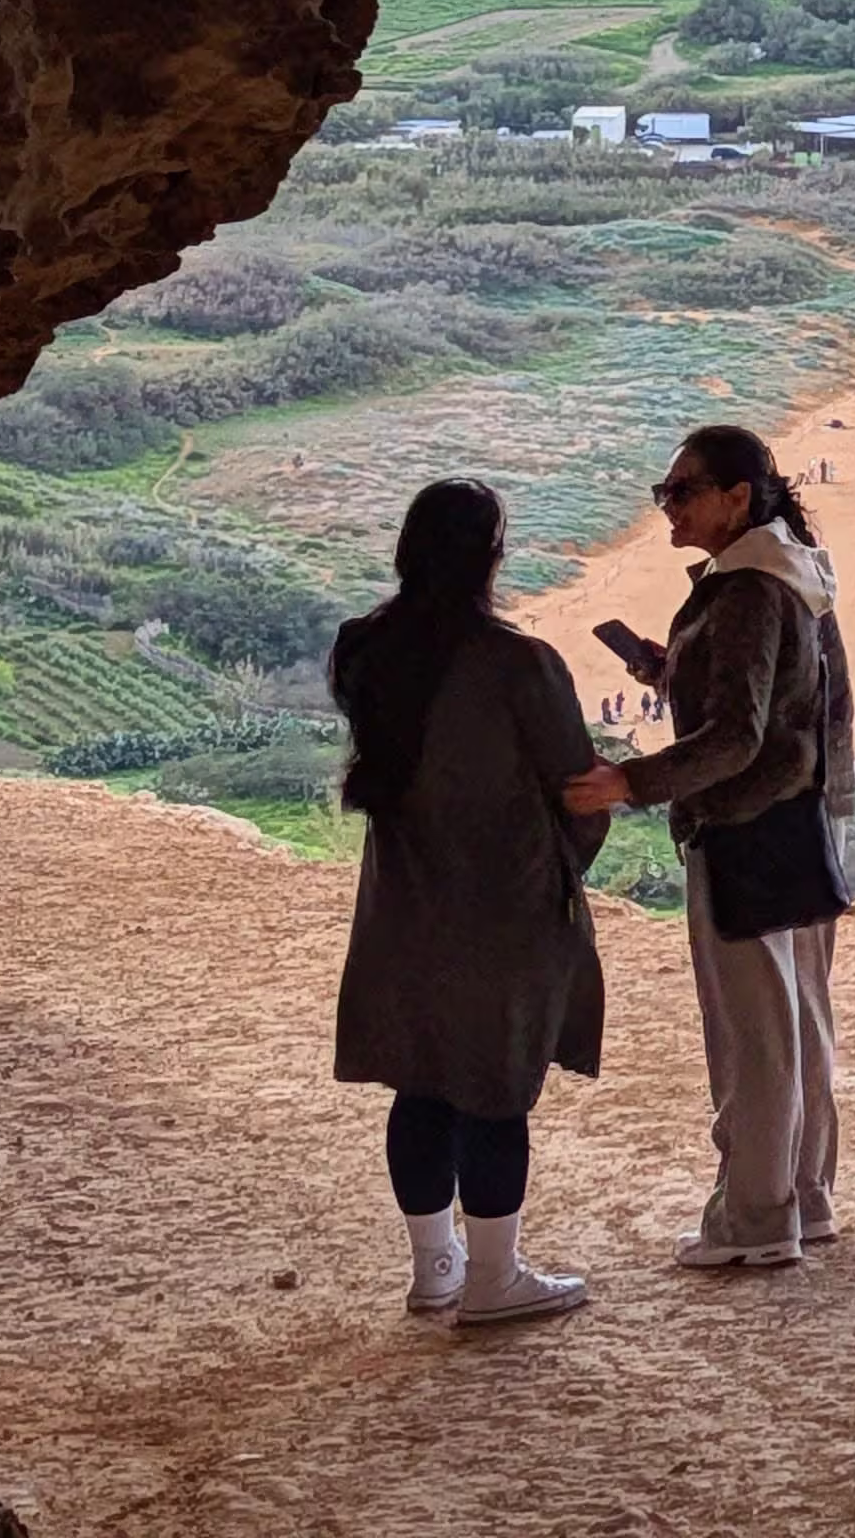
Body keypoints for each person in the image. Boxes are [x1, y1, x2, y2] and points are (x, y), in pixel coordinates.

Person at [564, 422, 855, 1270]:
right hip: (806, 819)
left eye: (683, 490)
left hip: (746, 824)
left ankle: (756, 1220)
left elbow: (735, 737)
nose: (669, 505)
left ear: (736, 497)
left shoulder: (746, 591)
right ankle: (805, 1197)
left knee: (753, 1033)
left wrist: (630, 781)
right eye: (665, 491)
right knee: (800, 1016)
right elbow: (778, 693)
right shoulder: (793, 570)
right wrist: (673, 671)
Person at [329, 479, 606, 1327]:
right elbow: (578, 787)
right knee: (494, 1086)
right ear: (492, 558)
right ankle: (495, 1277)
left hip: (402, 900)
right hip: (502, 902)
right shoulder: (521, 664)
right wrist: (562, 867)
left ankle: (435, 1268)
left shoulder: (363, 647)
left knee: (419, 1082)